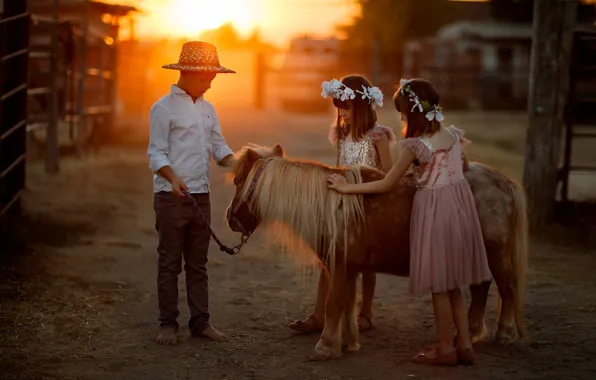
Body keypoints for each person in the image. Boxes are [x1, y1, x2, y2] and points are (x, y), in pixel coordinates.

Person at [327, 78, 491, 366]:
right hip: (459, 209)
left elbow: (386, 183)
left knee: (439, 285)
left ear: (412, 113)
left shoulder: (417, 146)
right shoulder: (452, 136)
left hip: (435, 210)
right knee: (454, 284)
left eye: (402, 111)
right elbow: (462, 166)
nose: (400, 117)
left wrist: (346, 188)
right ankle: (464, 344)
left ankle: (444, 348)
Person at [288, 75, 394, 334]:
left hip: (369, 202)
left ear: (360, 106)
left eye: (345, 108)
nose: (341, 113)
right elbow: (340, 166)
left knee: (367, 263)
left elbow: (388, 173)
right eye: (338, 108)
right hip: (343, 202)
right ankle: (319, 314)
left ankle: (365, 312)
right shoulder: (342, 133)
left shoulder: (377, 136)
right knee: (329, 257)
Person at [147, 41, 236, 345]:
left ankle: (201, 322)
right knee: (170, 263)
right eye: (205, 78)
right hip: (171, 198)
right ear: (186, 72)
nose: (210, 84)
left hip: (202, 197)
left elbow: (219, 147)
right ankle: (168, 324)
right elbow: (155, 154)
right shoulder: (163, 108)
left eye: (213, 78)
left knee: (198, 264)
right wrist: (172, 178)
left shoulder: (209, 109)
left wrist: (240, 163)